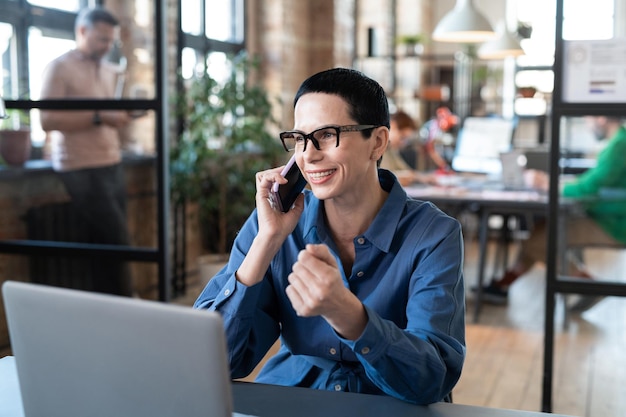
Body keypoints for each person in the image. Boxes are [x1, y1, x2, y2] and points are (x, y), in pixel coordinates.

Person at [194, 68, 466, 405]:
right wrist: (266, 241)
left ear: (378, 142)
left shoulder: (434, 235)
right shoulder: (276, 222)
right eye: (299, 138)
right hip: (294, 398)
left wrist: (348, 315)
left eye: (326, 135)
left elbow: (431, 378)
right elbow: (218, 361)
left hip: (391, 404)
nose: (307, 154)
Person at [480, 116, 626, 311]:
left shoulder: (620, 146)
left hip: (614, 223)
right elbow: (592, 182)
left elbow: (588, 188)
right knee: (539, 232)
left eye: (588, 119)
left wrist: (546, 185)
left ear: (601, 119)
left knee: (540, 241)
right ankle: (501, 285)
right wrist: (551, 182)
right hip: (606, 216)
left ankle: (590, 286)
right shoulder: (617, 143)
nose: (587, 124)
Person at [39, 7, 135, 296]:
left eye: (111, 41)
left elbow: (109, 116)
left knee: (107, 244)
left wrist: (121, 117)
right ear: (82, 31)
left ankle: (111, 309)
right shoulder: (59, 67)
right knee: (117, 242)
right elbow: (46, 120)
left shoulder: (109, 69)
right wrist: (98, 117)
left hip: (111, 161)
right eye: (102, 39)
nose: (107, 46)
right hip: (80, 166)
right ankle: (126, 306)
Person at [380, 110, 437, 185]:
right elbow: (379, 177)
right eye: (402, 137)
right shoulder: (378, 149)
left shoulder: (391, 150)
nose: (403, 143)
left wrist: (423, 177)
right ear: (392, 126)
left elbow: (406, 171)